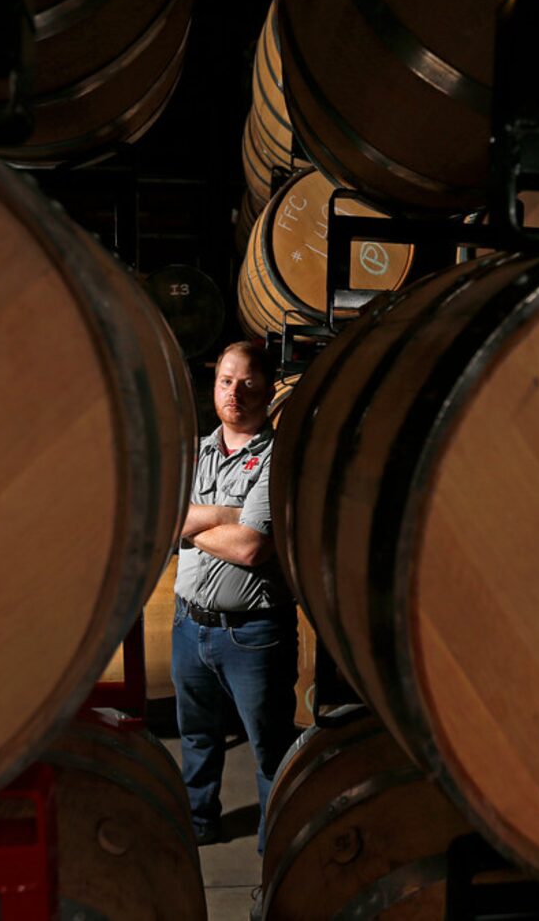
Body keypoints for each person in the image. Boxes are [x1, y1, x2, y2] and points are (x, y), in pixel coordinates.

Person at [172, 340, 297, 851]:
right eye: (226, 380)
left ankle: (277, 850)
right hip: (188, 626)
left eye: (248, 382)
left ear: (268, 390)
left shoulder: (276, 460)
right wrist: (227, 513)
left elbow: (251, 547)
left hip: (252, 634)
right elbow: (163, 516)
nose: (235, 392)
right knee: (197, 741)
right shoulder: (195, 450)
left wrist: (188, 521)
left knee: (270, 751)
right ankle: (199, 826)